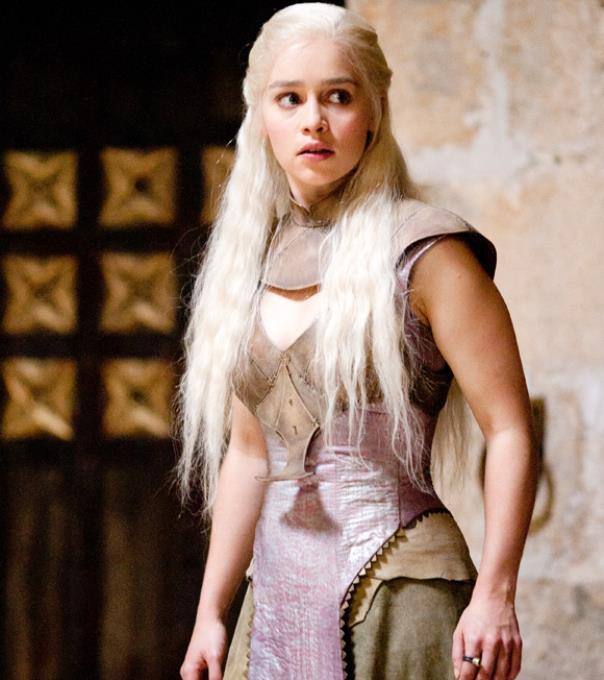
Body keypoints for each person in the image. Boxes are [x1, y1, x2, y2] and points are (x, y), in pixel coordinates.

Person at [175, 4, 538, 679]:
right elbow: (249, 456)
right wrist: (210, 614)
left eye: (338, 97)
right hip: (272, 605)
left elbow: (511, 428)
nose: (313, 120)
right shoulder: (245, 266)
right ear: (262, 117)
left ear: (373, 112)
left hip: (399, 592)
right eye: (290, 99)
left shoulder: (427, 253)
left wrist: (496, 593)